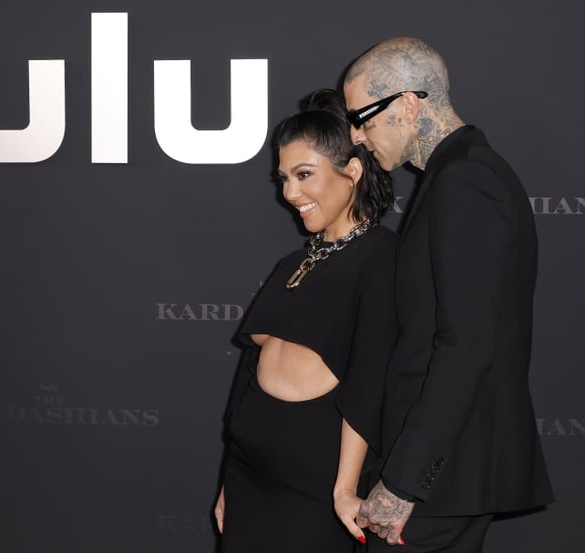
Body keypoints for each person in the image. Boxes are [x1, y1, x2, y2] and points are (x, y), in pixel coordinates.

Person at [342, 37, 555, 552]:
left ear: (409, 104)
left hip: (439, 481)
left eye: (363, 117)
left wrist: (403, 483)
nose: (356, 136)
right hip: (441, 474)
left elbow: (467, 346)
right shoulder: (454, 176)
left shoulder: (467, 181)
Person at [213, 88, 398, 553]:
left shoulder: (381, 256)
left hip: (312, 487)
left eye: (303, 175)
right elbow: (248, 371)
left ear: (351, 171)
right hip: (246, 475)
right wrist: (226, 480)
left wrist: (344, 487)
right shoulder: (294, 261)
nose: (290, 193)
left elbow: (369, 378)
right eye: (283, 178)